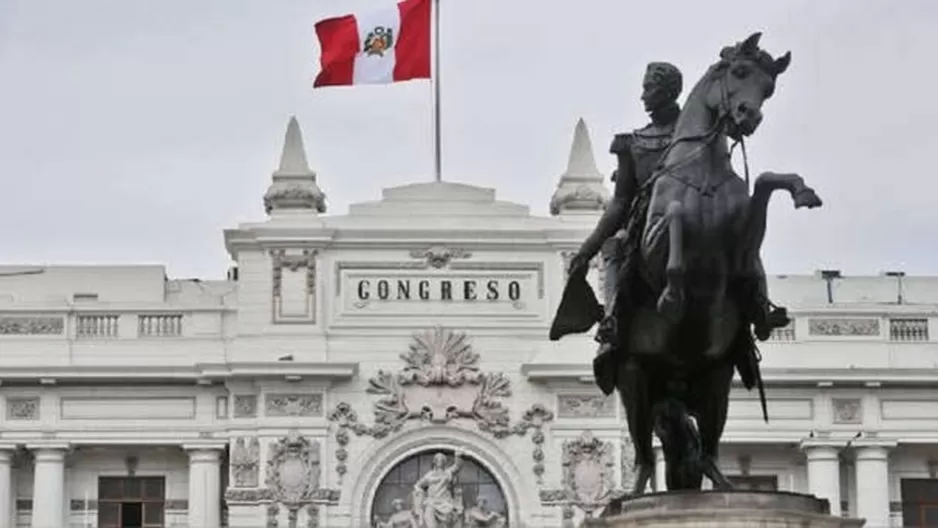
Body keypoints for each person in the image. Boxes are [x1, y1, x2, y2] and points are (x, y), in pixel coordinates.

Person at [567, 61, 685, 395]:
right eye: (645, 87)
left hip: (692, 217)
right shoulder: (632, 143)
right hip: (646, 222)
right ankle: (612, 322)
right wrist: (587, 248)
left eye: (649, 87)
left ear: (667, 91)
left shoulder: (695, 136)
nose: (643, 94)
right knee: (615, 247)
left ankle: (757, 304)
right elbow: (619, 204)